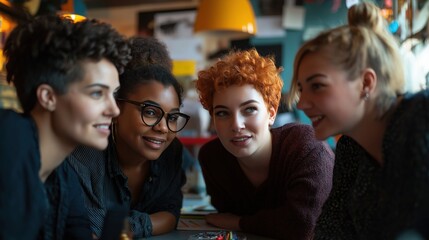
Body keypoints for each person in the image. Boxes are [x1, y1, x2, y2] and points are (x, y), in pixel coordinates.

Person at [287, 2, 429, 239]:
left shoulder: (421, 118)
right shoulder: (350, 147)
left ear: (366, 83)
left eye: (317, 86)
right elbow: (330, 230)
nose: (301, 104)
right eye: (302, 89)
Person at [0, 14, 130, 239]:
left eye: (114, 94)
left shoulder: (62, 174)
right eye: (97, 93)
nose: (114, 110)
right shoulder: (8, 139)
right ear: (48, 97)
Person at [195, 49, 334, 240]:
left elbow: (304, 226)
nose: (236, 125)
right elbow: (225, 215)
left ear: (271, 113)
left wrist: (239, 222)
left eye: (249, 109)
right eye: (222, 113)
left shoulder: (307, 148)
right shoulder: (212, 158)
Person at [66, 36, 189, 238]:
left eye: (173, 117)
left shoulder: (171, 152)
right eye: (150, 112)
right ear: (115, 109)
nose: (163, 128)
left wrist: (130, 228)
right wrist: (144, 224)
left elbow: (170, 214)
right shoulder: (86, 153)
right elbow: (93, 231)